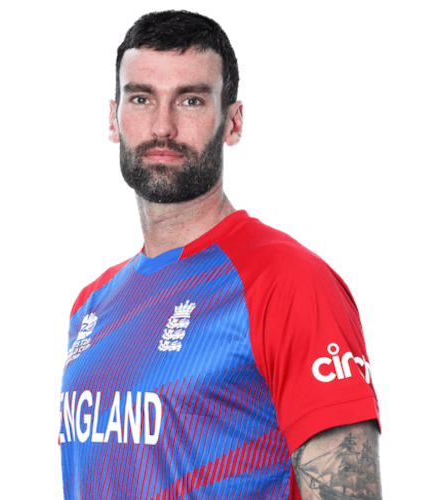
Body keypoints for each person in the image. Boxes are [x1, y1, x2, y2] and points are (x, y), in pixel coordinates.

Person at [61, 9, 382, 500]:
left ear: (233, 123)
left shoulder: (290, 282)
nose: (163, 126)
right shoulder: (91, 301)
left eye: (190, 100)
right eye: (142, 98)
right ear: (113, 119)